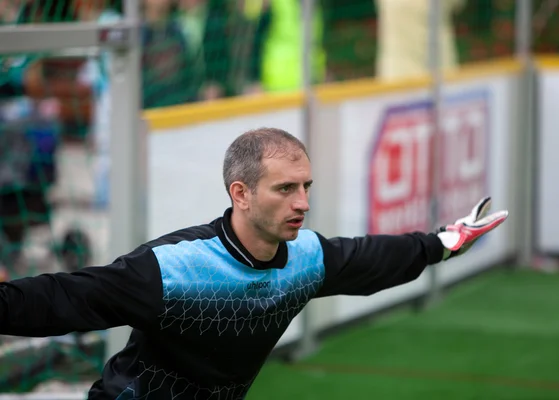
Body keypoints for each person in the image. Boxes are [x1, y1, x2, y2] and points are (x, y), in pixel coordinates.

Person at [0, 127, 508, 399]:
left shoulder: (306, 258)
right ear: (240, 193)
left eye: (306, 186)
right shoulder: (175, 268)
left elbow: (374, 259)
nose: (303, 202)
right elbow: (65, 298)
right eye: (286, 188)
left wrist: (444, 240)